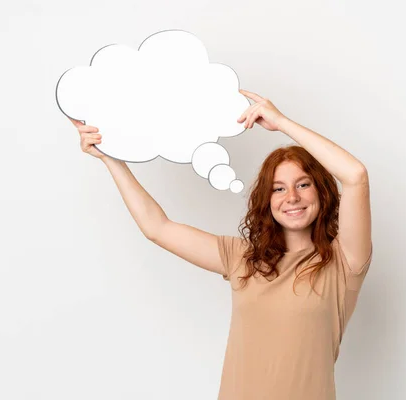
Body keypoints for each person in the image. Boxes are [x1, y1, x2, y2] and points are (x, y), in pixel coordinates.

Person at [69, 89, 373, 400]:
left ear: (321, 192)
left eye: (303, 184)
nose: (291, 197)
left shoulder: (344, 261)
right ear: (266, 201)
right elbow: (156, 227)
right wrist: (110, 158)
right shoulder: (242, 258)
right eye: (278, 188)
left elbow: (355, 175)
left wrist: (281, 122)